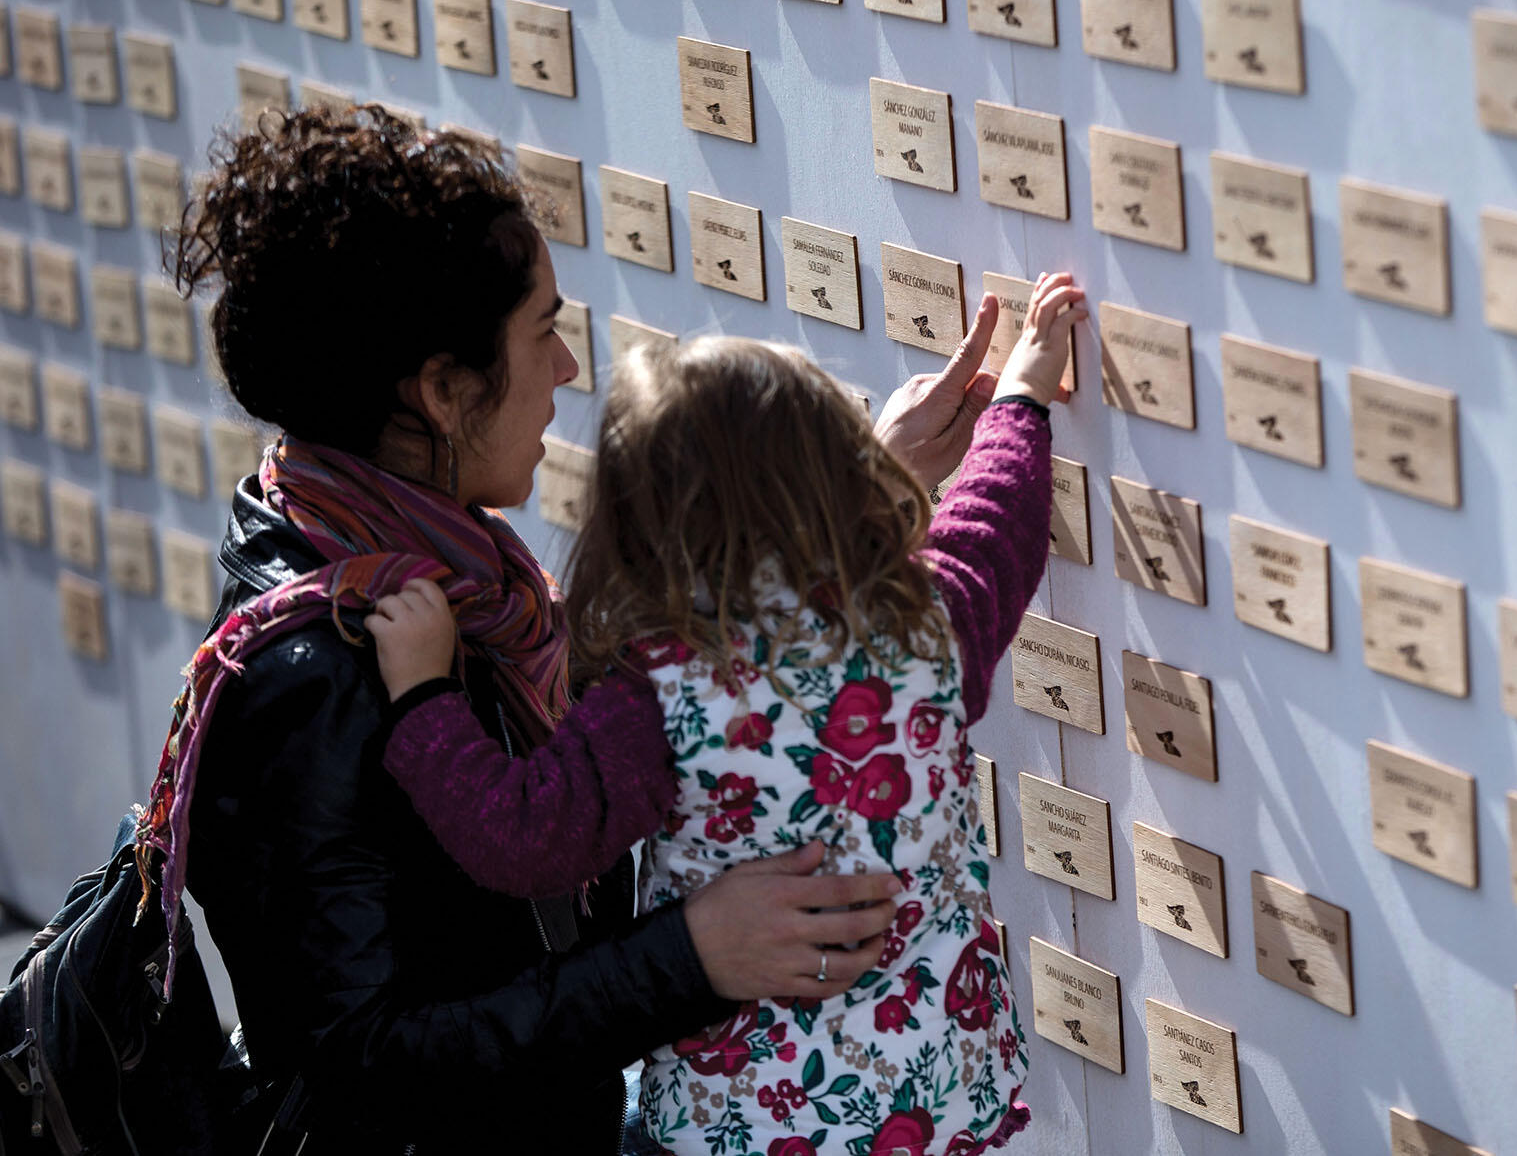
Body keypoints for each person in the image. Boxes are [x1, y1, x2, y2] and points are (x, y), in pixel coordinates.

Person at [142, 106, 1013, 1154]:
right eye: (542, 329)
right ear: (444, 393)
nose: (565, 369)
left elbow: (657, 714)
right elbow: (356, 1064)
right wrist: (692, 958)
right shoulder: (315, 667)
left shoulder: (438, 570)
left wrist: (841, 498)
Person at [361, 274, 1087, 1155]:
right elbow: (993, 526)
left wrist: (425, 699)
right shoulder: (921, 626)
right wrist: (1023, 392)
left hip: (742, 1126)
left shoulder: (655, 690)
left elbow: (524, 834)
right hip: (931, 1100)